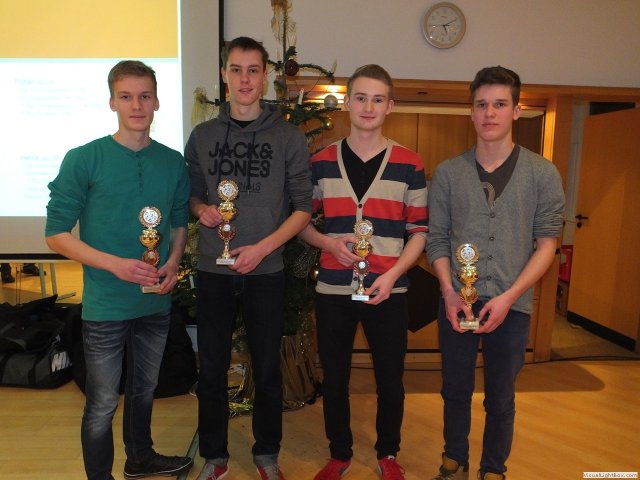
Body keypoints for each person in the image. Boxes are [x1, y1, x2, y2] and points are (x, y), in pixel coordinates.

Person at [45, 60, 193, 480]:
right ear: (112, 102)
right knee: (102, 403)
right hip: (106, 306)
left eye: (145, 96)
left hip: (154, 304)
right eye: (126, 96)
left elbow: (178, 222)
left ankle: (140, 460)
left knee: (144, 391)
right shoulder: (84, 159)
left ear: (157, 101)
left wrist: (173, 261)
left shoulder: (172, 162)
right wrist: (116, 266)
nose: (136, 105)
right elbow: (56, 234)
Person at [426, 66, 565, 480]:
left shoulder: (542, 174)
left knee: (501, 397)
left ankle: (493, 469)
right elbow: (437, 240)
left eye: (500, 104)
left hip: (512, 304)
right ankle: (454, 459)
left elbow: (547, 245)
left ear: (516, 111)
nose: (490, 113)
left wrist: (509, 297)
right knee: (454, 389)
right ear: (471, 112)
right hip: (457, 301)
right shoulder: (449, 173)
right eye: (482, 104)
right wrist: (449, 291)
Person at [185, 36, 312, 480]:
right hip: (213, 269)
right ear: (224, 75)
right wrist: (202, 210)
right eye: (236, 70)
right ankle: (214, 456)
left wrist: (262, 248)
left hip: (266, 269)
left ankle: (266, 454)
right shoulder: (203, 137)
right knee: (212, 367)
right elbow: (192, 195)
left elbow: (302, 208)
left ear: (265, 76)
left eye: (253, 70)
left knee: (267, 368)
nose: (244, 79)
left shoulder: (288, 137)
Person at [298, 64, 429, 480]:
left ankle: (388, 454)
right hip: (334, 288)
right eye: (360, 98)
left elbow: (419, 232)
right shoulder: (321, 162)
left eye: (377, 99)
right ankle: (339, 453)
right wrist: (327, 244)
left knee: (390, 380)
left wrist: (393, 275)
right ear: (347, 103)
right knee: (335, 377)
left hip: (389, 290)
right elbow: (301, 223)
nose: (368, 107)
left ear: (390, 106)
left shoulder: (409, 163)